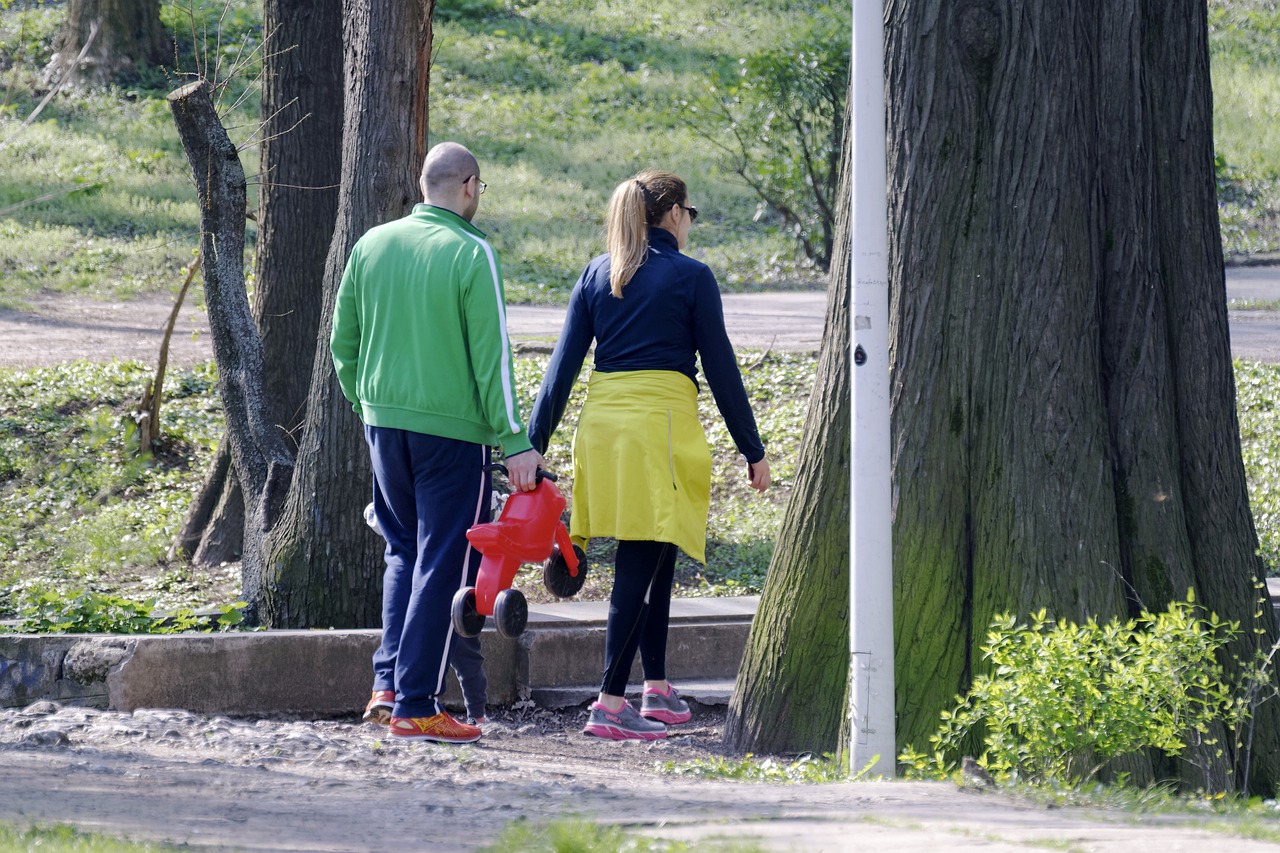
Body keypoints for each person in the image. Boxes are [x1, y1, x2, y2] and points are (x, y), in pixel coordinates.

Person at [528, 169, 771, 741]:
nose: (691, 223)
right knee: (640, 560)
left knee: (656, 553)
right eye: (690, 212)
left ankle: (656, 689)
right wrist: (751, 448)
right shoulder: (690, 277)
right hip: (656, 432)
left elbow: (561, 369)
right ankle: (610, 705)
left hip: (603, 429)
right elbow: (720, 368)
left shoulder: (597, 272)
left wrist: (532, 445)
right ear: (672, 214)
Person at [331, 142, 544, 744]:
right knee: (440, 561)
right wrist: (513, 439)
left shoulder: (370, 245)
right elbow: (492, 359)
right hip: (452, 438)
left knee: (402, 552)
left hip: (384, 427)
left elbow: (341, 346)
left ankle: (388, 687)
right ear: (470, 186)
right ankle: (417, 703)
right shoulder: (471, 252)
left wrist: (368, 404)